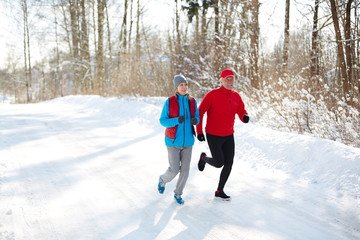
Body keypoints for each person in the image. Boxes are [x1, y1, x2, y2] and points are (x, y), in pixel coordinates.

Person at [196, 69, 249, 200]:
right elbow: (200, 112)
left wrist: (244, 117)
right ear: (221, 80)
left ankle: (219, 190)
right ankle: (204, 159)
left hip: (229, 134)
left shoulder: (236, 96)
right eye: (227, 79)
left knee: (229, 163)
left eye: (232, 79)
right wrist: (199, 131)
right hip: (213, 134)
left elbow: (241, 110)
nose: (230, 81)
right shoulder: (212, 95)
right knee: (219, 162)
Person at [158, 74, 200, 205]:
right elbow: (163, 121)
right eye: (181, 85)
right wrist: (176, 120)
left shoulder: (192, 101)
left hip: (188, 142)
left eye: (185, 84)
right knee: (175, 169)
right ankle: (163, 180)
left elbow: (197, 117)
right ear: (176, 87)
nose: (184, 87)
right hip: (173, 142)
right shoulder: (169, 102)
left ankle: (178, 193)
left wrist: (195, 120)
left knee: (185, 171)